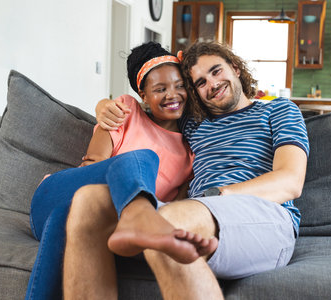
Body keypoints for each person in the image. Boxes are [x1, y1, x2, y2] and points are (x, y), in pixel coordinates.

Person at [95, 41, 309, 299]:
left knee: (162, 223)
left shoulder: (280, 110)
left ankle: (143, 224)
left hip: (264, 215)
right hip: (197, 213)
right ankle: (145, 224)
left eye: (216, 71)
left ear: (235, 68)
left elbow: (290, 182)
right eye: (200, 82)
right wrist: (103, 106)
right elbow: (157, 102)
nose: (212, 84)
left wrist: (218, 194)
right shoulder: (194, 124)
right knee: (88, 207)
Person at [25, 41, 218, 300]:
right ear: (143, 95)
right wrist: (103, 105)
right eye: (160, 89)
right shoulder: (125, 111)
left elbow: (175, 205)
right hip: (57, 194)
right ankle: (141, 217)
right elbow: (91, 167)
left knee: (67, 217)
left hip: (93, 219)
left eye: (180, 85)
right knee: (141, 160)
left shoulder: (190, 153)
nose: (173, 95)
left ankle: (140, 220)